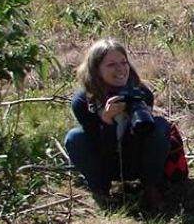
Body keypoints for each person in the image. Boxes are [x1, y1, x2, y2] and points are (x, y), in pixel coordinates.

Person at [64, 38, 172, 209]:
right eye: (111, 64)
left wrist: (137, 115)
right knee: (74, 137)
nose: (120, 69)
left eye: (124, 62)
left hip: (137, 158)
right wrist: (107, 121)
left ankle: (151, 186)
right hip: (106, 162)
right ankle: (101, 192)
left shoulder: (141, 92)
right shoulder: (83, 101)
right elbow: (99, 147)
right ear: (96, 69)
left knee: (160, 125)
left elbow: (146, 140)